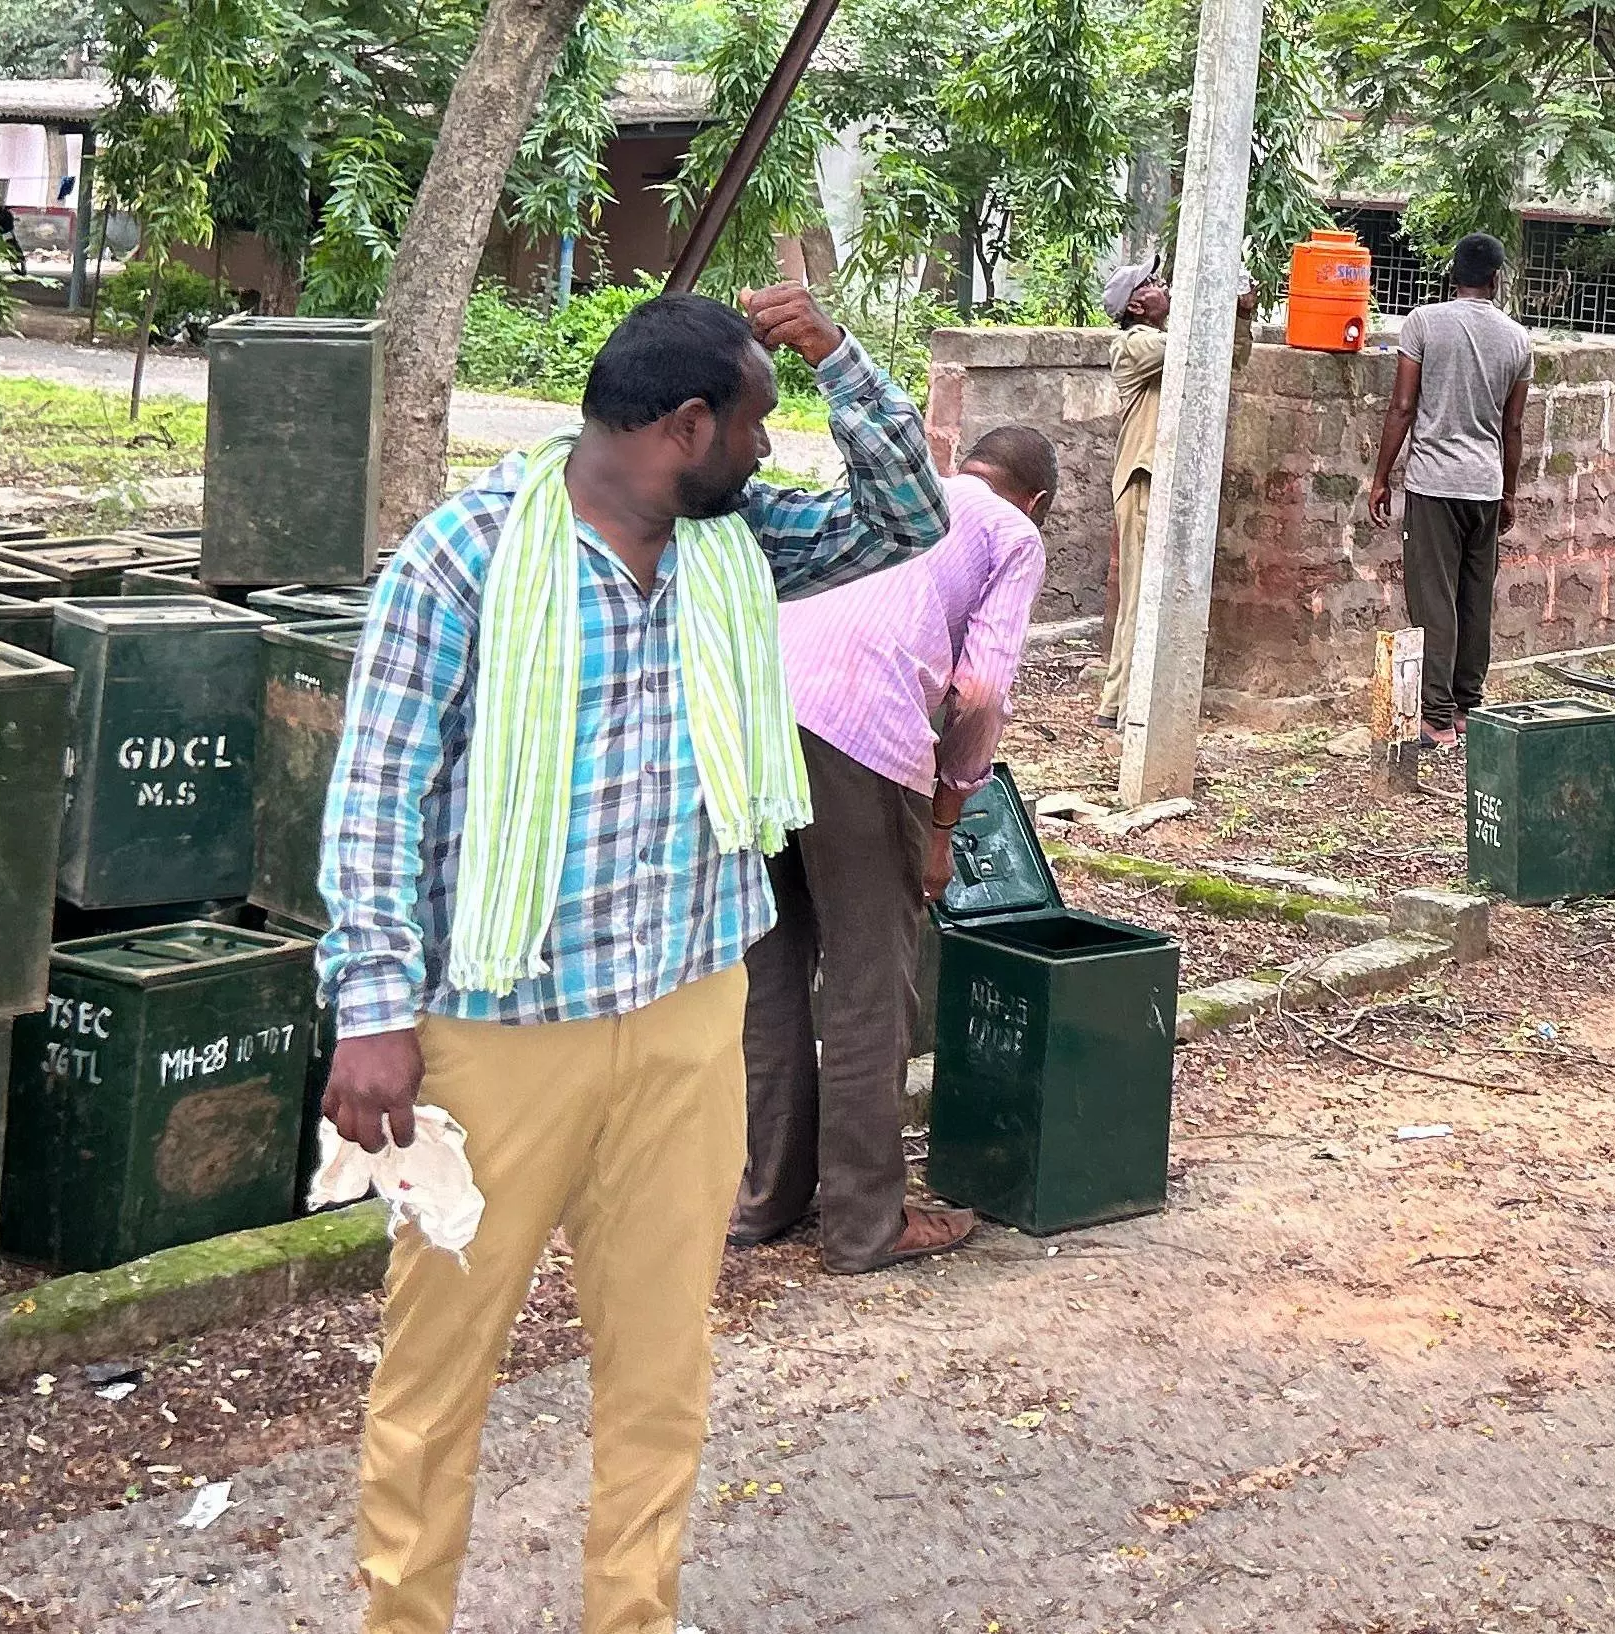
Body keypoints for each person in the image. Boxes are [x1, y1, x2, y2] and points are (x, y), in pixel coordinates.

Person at [315, 285, 947, 1634]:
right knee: (438, 1371)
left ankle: (633, 1615)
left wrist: (836, 357)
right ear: (685, 425)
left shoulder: (738, 542)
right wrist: (371, 1008)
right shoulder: (464, 557)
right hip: (497, 1035)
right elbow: (378, 792)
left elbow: (908, 517)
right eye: (760, 425)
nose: (773, 454)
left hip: (686, 1017)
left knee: (662, 1366)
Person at [732, 424, 1055, 1274]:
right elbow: (982, 688)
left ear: (960, 467)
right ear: (1040, 500)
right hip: (863, 737)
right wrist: (946, 819)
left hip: (761, 721)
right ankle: (864, 1224)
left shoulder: (894, 492)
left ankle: (767, 1198)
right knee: (870, 986)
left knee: (770, 970)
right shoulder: (1013, 533)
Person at [1366, 232, 1533, 748]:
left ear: (1452, 274)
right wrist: (1507, 493)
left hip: (1434, 484)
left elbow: (1401, 407)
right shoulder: (1517, 339)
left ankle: (1436, 716)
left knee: (1434, 597)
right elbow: (1513, 427)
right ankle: (1467, 706)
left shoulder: (1423, 323)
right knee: (1474, 596)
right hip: (1484, 485)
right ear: (1497, 278)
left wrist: (1381, 477)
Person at [1096, 260, 1254, 729]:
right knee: (1140, 595)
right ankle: (1122, 704)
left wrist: (1241, 315)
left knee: (1150, 594)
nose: (1163, 286)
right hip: (1142, 478)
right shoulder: (1134, 345)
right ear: (1138, 305)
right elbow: (1196, 343)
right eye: (1153, 283)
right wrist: (1223, 300)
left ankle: (1120, 702)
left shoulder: (1156, 343)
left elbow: (1229, 356)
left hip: (1160, 479)